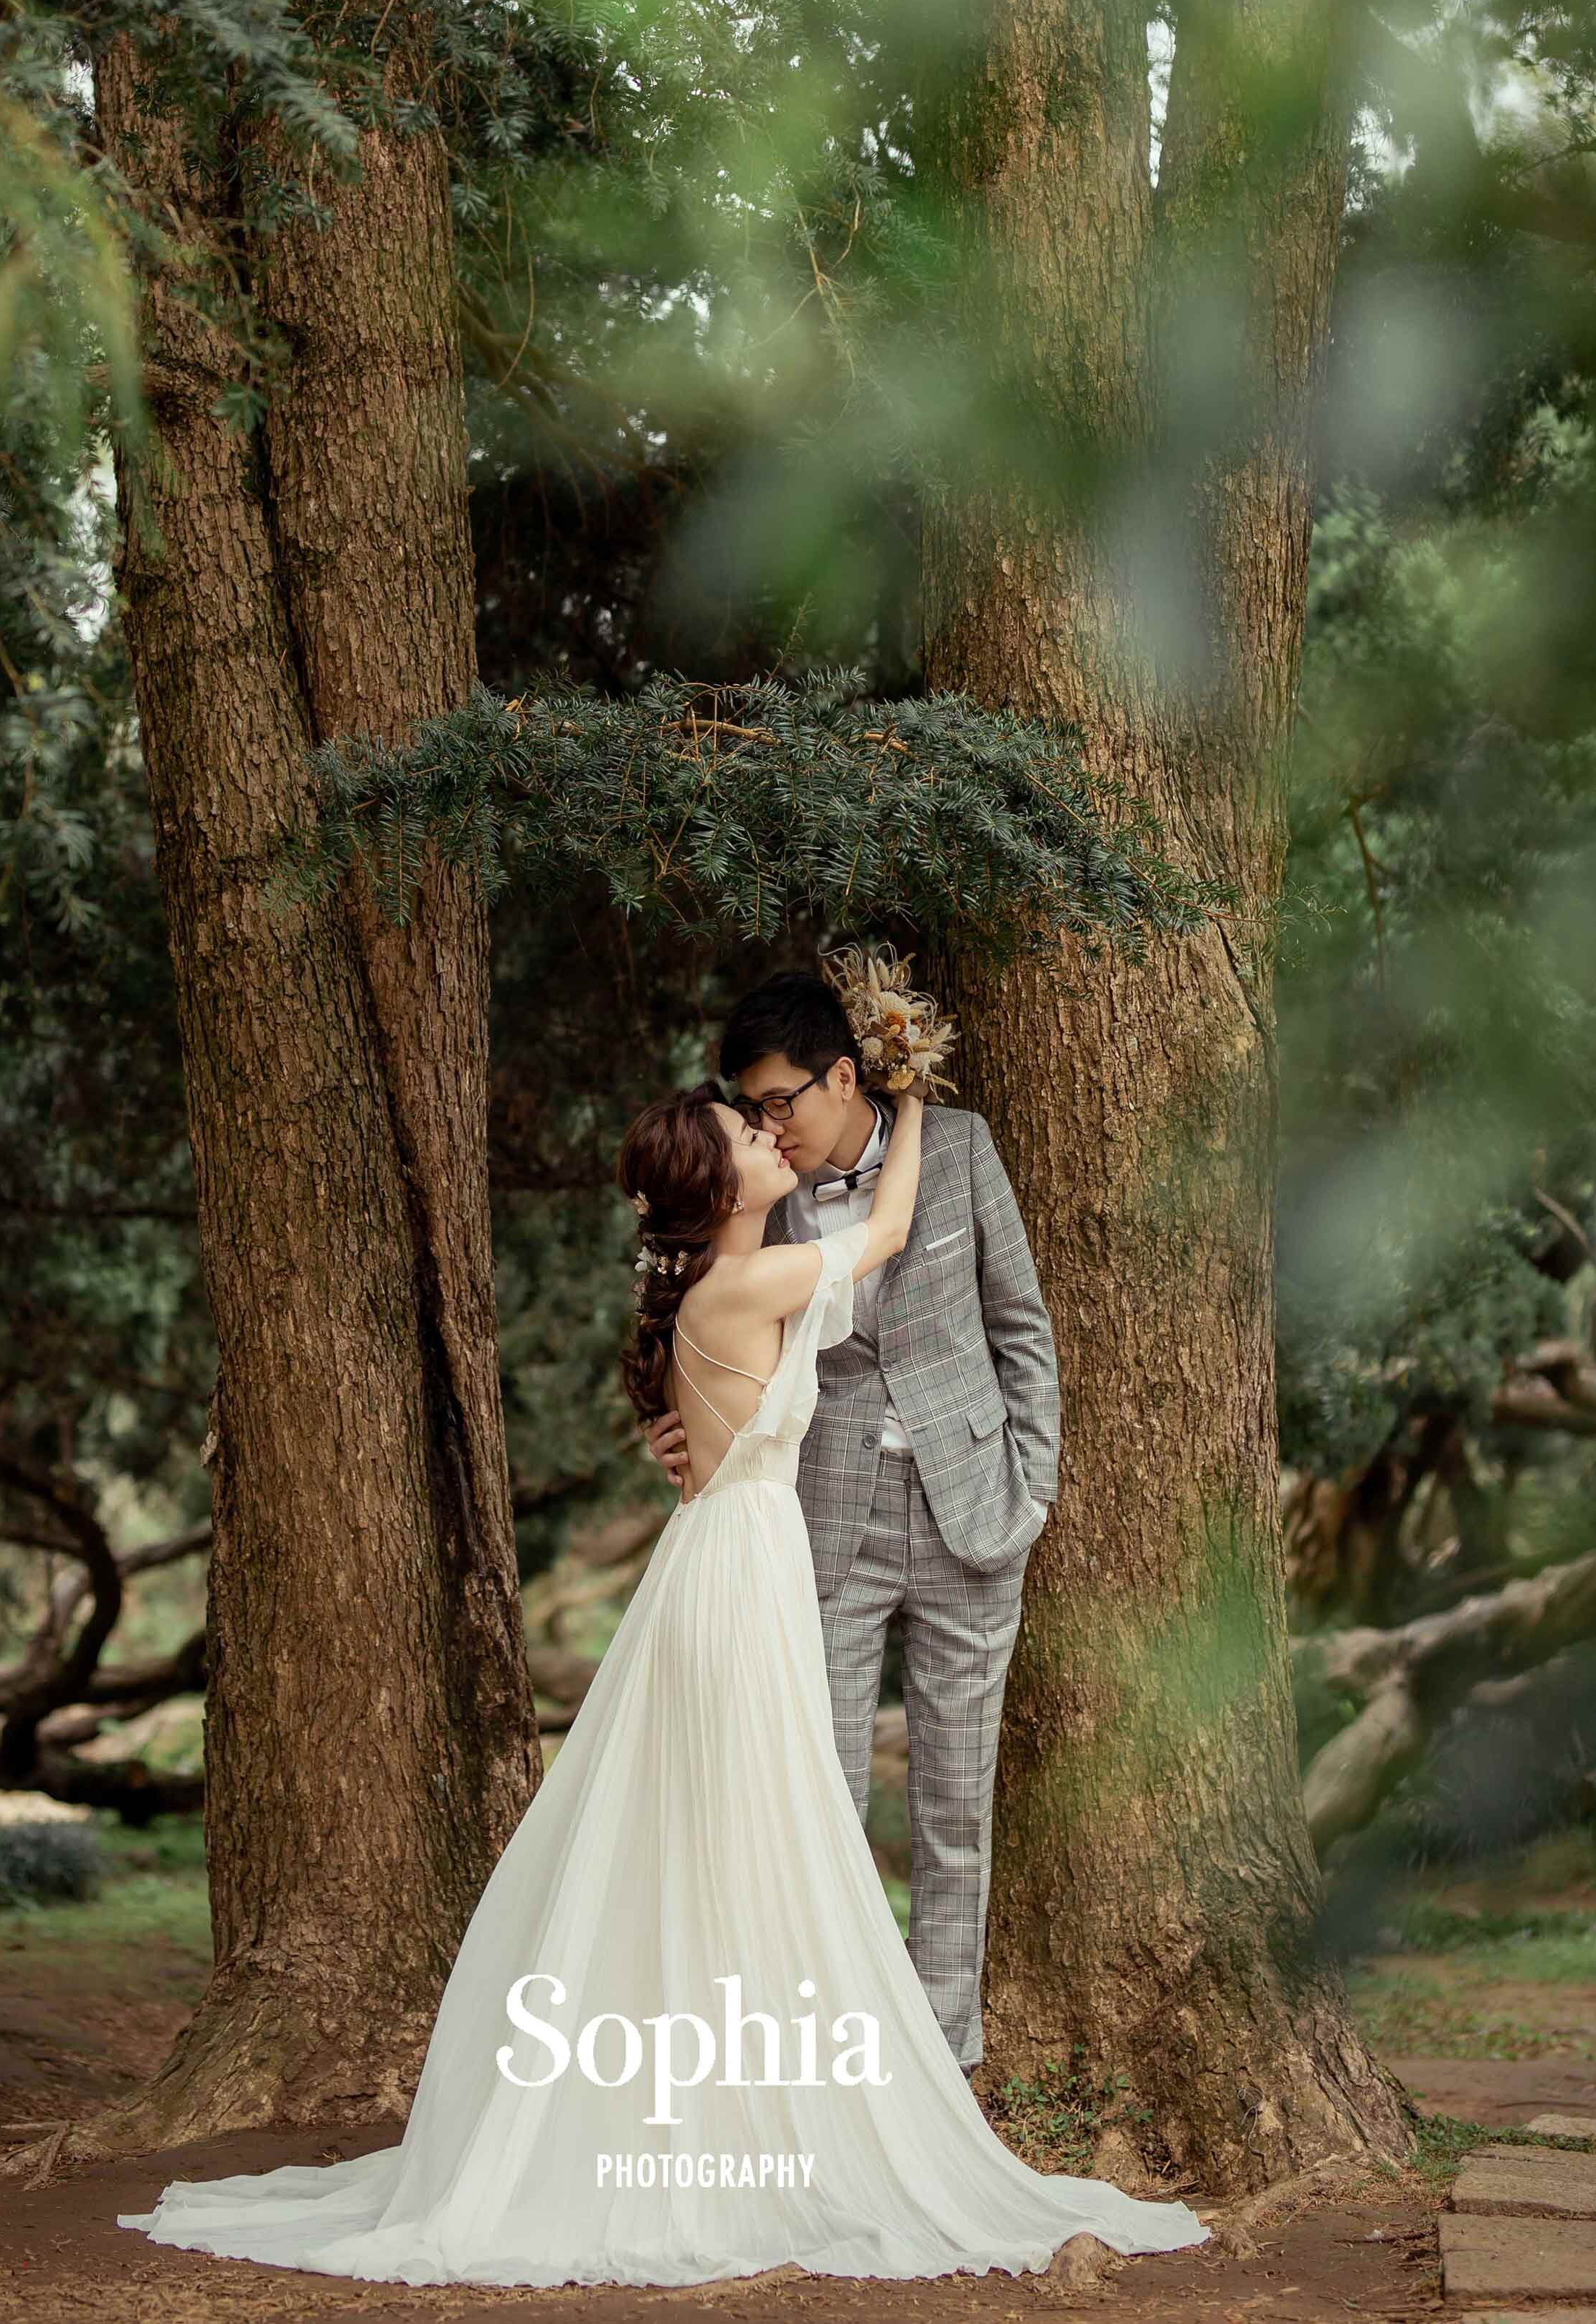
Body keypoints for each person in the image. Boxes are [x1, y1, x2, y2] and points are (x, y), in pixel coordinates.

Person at [116, 1074, 1209, 2289]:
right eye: (751, 1133)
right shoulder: (744, 1281)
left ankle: (730, 2102)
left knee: (725, 1838)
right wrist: (909, 1098)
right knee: (752, 1839)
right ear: (720, 1185)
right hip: (739, 1577)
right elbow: (888, 1234)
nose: (771, 1134)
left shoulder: (733, 1284)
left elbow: (826, 1334)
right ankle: (736, 2121)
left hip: (736, 1564)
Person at [643, 970, 1056, 2079]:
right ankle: (833, 2066)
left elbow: (1020, 1322)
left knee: (956, 1810)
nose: (769, 1124)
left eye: (782, 1098)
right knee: (816, 1799)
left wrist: (1035, 1482)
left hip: (974, 1509)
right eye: (754, 1106)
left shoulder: (960, 1146)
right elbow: (702, 1325)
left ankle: (942, 2063)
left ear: (842, 1074)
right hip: (816, 1525)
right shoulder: (757, 1191)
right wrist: (683, 1426)